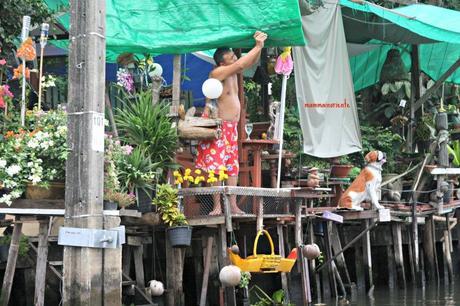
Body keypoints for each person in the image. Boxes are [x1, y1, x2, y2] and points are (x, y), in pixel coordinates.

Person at [196, 31, 268, 215]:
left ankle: (233, 205)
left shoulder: (234, 71)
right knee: (216, 166)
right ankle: (217, 206)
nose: (235, 56)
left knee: (231, 166)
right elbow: (243, 62)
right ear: (222, 62)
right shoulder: (217, 72)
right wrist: (258, 45)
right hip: (218, 127)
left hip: (231, 128)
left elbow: (249, 62)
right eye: (231, 55)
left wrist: (258, 48)